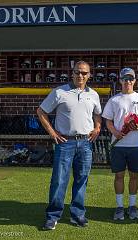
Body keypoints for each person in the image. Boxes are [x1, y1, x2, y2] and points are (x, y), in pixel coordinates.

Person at [37, 61, 102, 230]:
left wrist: (97, 127)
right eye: (77, 72)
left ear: (89, 75)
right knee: (59, 180)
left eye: (84, 73)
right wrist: (52, 133)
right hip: (65, 143)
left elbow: (97, 114)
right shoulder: (59, 92)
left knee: (82, 179)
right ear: (71, 73)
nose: (80, 76)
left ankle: (77, 215)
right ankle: (53, 216)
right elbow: (41, 111)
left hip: (86, 144)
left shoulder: (94, 94)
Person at [102, 67, 138, 220]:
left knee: (134, 176)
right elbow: (108, 120)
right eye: (125, 78)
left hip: (135, 145)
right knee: (119, 176)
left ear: (135, 80)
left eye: (130, 78)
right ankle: (119, 207)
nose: (128, 81)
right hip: (118, 145)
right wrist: (115, 132)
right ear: (120, 80)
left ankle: (132, 206)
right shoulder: (114, 100)